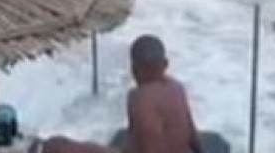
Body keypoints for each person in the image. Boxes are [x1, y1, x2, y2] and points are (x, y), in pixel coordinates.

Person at [29, 35, 202, 153]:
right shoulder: (177, 88)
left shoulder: (138, 97)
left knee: (58, 145)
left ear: (134, 69)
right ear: (165, 64)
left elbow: (150, 147)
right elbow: (194, 138)